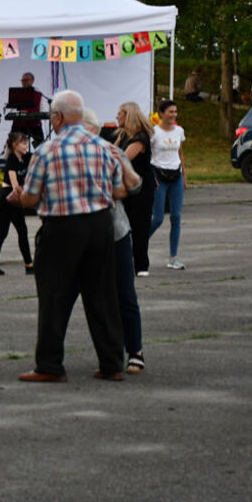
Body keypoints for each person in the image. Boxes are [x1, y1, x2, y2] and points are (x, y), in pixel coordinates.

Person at [17, 90, 126, 383]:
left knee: (54, 295)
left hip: (62, 227)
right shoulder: (103, 147)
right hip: (101, 224)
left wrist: (19, 197)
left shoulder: (46, 150)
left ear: (58, 117)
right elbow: (118, 190)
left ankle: (50, 366)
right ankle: (113, 363)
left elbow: (30, 198)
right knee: (102, 295)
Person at [82, 108, 146, 375]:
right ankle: (51, 359)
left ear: (93, 130)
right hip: (80, 235)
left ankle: (135, 351)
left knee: (124, 294)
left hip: (115, 231)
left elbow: (132, 186)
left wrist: (99, 188)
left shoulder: (110, 152)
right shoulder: (67, 153)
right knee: (70, 296)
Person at [113, 102, 155, 276]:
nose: (117, 116)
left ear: (128, 115)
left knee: (140, 225)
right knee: (122, 224)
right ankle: (124, 261)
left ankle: (141, 264)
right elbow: (113, 152)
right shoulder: (123, 136)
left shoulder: (140, 138)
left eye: (119, 113)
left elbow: (122, 158)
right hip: (127, 186)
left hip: (141, 187)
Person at [0, 131, 34, 277]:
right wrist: (23, 196)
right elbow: (14, 183)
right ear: (15, 145)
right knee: (21, 230)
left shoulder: (26, 157)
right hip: (8, 196)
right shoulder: (12, 159)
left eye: (27, 142)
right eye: (23, 143)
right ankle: (29, 265)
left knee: (3, 232)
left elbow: (37, 162)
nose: (26, 145)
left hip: (10, 197)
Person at [149, 100, 188, 271]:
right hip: (159, 176)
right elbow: (146, 156)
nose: (173, 115)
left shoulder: (179, 131)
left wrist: (184, 176)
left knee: (176, 217)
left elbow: (180, 154)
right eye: (170, 111)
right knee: (157, 218)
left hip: (176, 176)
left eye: (176, 111)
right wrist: (152, 177)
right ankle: (136, 245)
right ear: (161, 113)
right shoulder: (154, 132)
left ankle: (173, 257)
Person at [10, 72, 49, 145]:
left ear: (32, 81)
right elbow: (12, 109)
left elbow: (43, 110)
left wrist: (33, 114)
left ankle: (39, 155)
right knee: (13, 145)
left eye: (26, 80)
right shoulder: (16, 94)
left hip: (34, 124)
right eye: (23, 80)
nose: (24, 82)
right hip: (19, 124)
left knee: (41, 146)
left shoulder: (39, 94)